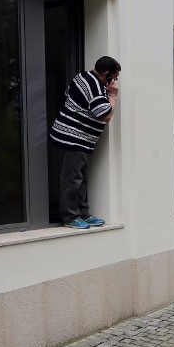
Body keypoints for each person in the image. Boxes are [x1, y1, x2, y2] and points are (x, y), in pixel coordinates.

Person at [50, 56, 121, 229]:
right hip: (72, 138)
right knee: (71, 179)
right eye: (115, 77)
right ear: (107, 74)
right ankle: (70, 217)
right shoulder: (95, 86)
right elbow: (105, 115)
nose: (116, 81)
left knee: (81, 179)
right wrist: (112, 96)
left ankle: (83, 213)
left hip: (79, 140)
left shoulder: (83, 77)